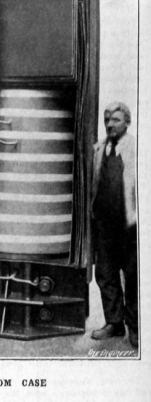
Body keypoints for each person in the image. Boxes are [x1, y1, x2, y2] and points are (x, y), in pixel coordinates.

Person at [90, 102, 138, 348]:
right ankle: (114, 323)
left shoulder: (137, 148)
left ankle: (136, 328)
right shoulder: (99, 148)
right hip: (104, 225)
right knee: (106, 275)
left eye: (116, 120)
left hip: (129, 227)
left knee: (133, 277)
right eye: (107, 120)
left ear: (127, 122)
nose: (110, 124)